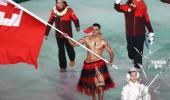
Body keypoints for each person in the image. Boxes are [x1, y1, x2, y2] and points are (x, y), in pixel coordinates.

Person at [64, 23, 115, 100]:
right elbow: (74, 44)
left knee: (100, 84)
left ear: (99, 30)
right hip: (88, 65)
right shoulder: (86, 39)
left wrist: (111, 60)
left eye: (96, 29)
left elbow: (111, 52)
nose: (94, 31)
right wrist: (68, 37)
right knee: (92, 85)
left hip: (99, 64)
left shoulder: (103, 41)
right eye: (93, 29)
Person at [114, 0, 155, 69]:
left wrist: (151, 31)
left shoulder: (143, 8)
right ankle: (132, 57)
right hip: (129, 33)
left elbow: (147, 21)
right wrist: (117, 2)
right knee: (130, 49)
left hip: (140, 33)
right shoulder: (127, 7)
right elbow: (118, 8)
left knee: (139, 49)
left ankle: (137, 65)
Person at [44, 0, 80, 72]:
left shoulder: (69, 10)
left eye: (60, 3)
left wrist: (77, 26)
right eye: (57, 2)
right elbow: (50, 22)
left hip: (68, 35)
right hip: (58, 35)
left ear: (63, 3)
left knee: (69, 48)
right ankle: (63, 67)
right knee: (61, 50)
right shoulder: (54, 11)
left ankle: (72, 59)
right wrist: (46, 33)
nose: (58, 4)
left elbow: (75, 18)